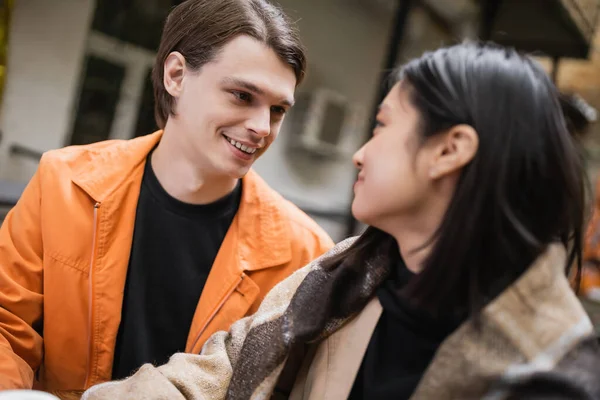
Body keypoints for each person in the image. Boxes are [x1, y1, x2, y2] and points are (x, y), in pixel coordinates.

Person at [82, 41, 598, 400]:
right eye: (240, 95)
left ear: (449, 149)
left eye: (382, 125)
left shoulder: (551, 374)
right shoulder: (337, 279)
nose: (359, 154)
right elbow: (210, 378)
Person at [0, 0, 334, 393]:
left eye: (277, 110)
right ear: (176, 75)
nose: (262, 127)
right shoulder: (64, 184)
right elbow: (7, 325)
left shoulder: (305, 253)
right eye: (243, 96)